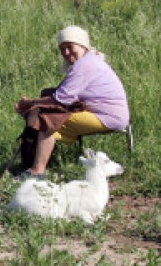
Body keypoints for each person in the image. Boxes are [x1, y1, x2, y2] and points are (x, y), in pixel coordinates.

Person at [14, 25, 129, 179]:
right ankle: (34, 160)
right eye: (62, 49)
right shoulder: (88, 61)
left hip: (108, 117)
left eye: (70, 47)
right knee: (46, 99)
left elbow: (61, 99)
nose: (66, 53)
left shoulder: (85, 65)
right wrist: (36, 102)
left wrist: (31, 104)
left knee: (47, 120)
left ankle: (37, 171)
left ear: (82, 45)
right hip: (105, 113)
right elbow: (62, 94)